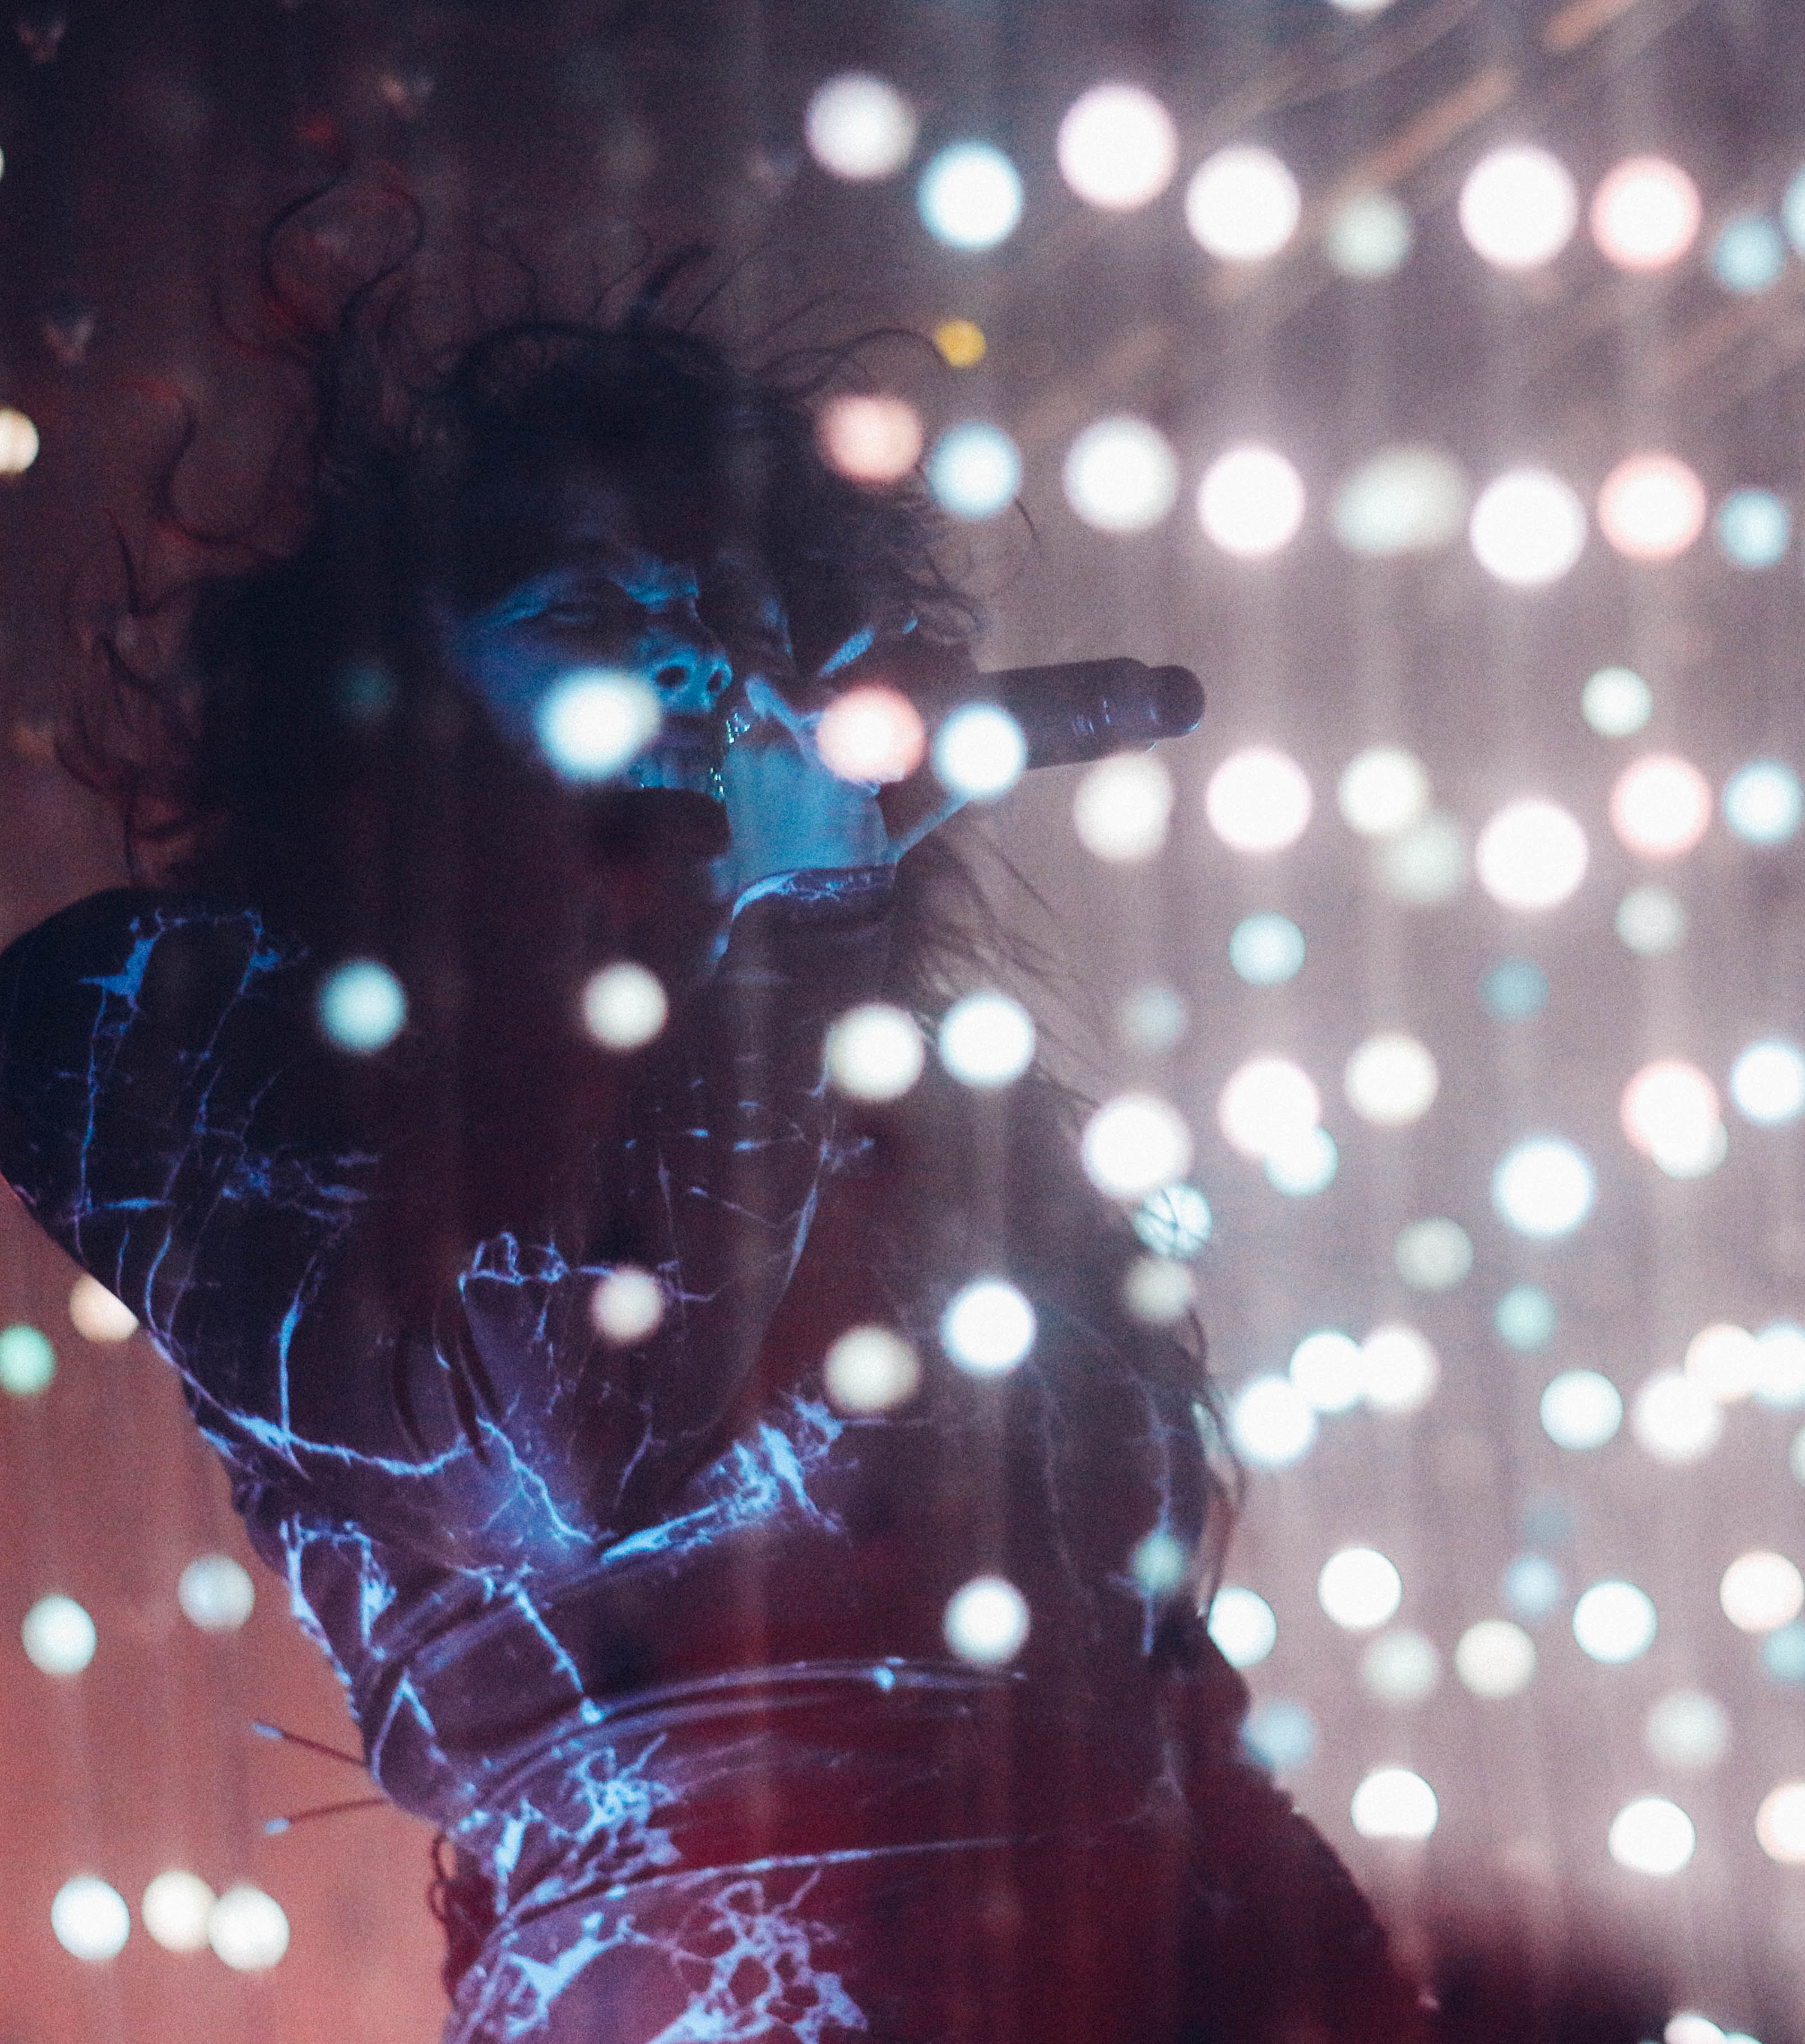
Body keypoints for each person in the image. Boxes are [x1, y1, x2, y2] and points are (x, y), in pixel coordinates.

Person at [0, 273, 1430, 2042]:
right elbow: (564, 1457)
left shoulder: (939, 1129)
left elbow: (1160, 1716)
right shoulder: (153, 1026)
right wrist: (790, 938)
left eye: (728, 612)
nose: (686, 656)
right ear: (386, 701)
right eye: (595, 605)